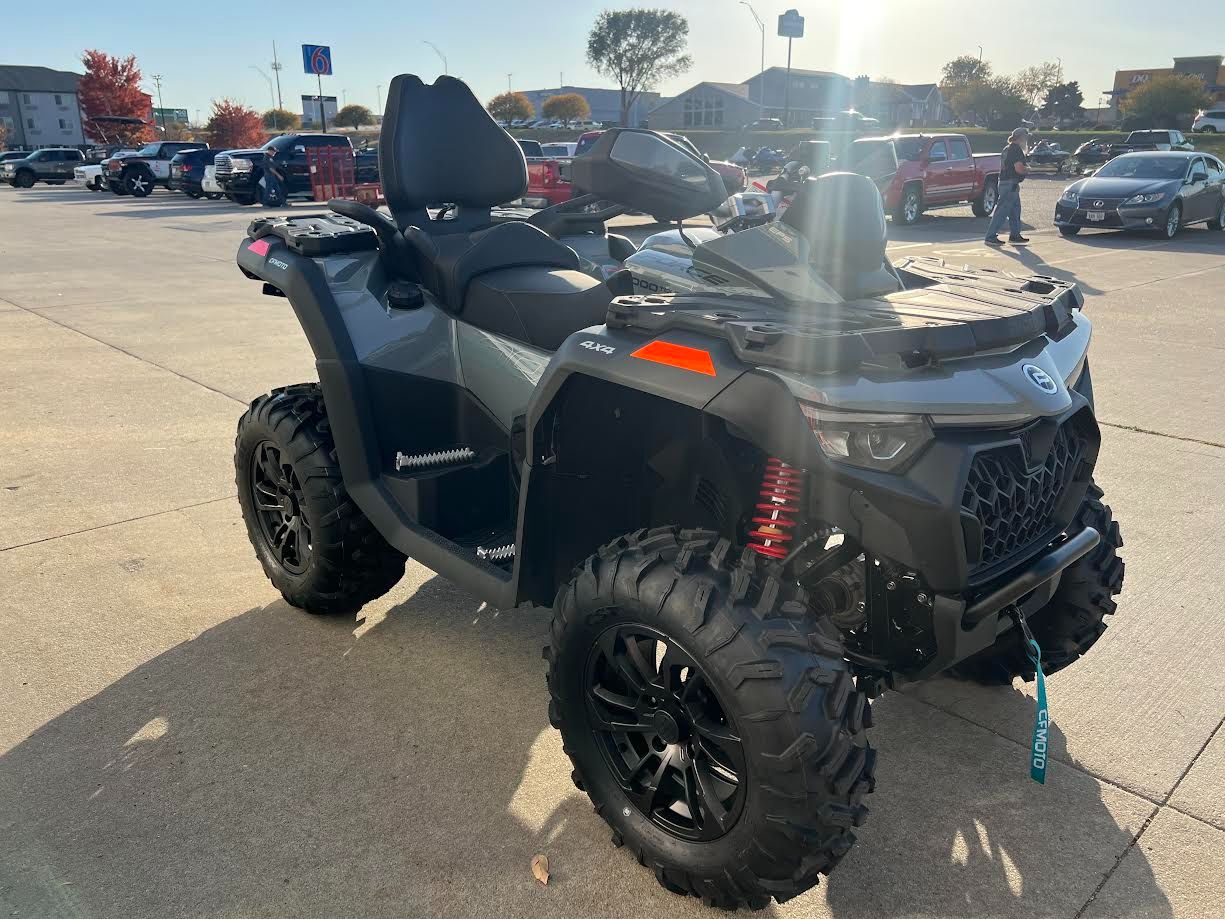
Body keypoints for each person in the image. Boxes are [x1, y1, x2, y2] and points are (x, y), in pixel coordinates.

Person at [985, 127, 1030, 246]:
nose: (1027, 139)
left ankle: (1015, 235)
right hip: (1011, 184)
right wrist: (1028, 169)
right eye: (1026, 137)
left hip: (1006, 183)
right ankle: (990, 236)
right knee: (1002, 211)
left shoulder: (1006, 149)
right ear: (1022, 137)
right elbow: (1019, 168)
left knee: (1015, 210)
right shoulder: (1016, 150)